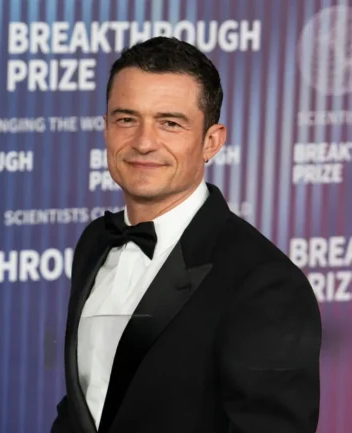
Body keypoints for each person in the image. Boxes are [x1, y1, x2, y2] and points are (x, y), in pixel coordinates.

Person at [51, 36, 322, 433]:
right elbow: (84, 406)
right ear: (106, 128)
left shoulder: (265, 285)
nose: (143, 142)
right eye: (127, 119)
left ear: (211, 141)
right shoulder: (95, 242)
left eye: (170, 123)